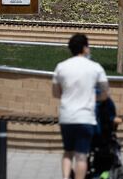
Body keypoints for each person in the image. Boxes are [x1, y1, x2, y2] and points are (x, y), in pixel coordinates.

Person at [52, 33, 109, 179]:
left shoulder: (61, 67)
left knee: (67, 151)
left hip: (66, 117)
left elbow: (56, 93)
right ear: (84, 48)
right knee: (81, 156)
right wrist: (91, 97)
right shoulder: (95, 68)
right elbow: (104, 94)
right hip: (85, 117)